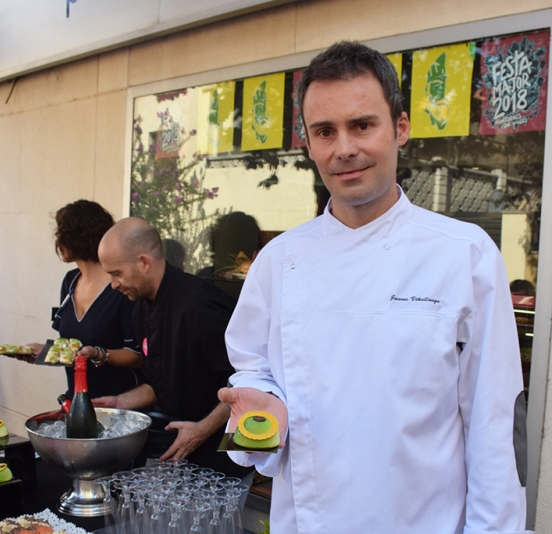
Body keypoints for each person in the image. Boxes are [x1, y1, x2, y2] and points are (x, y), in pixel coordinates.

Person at [219, 41, 530, 533]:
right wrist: (260, 403)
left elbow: (493, 427)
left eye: (362, 125)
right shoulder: (278, 262)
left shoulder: (464, 255)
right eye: (325, 131)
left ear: (400, 127)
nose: (344, 148)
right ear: (308, 142)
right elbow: (251, 368)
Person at [95, 217, 252, 478]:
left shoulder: (199, 306)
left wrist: (201, 429)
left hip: (229, 452)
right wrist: (119, 402)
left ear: (143, 262)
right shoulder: (141, 310)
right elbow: (163, 383)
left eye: (117, 274)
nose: (113, 285)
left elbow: (247, 383)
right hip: (186, 449)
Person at [29, 200, 145, 400]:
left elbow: (138, 355)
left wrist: (98, 354)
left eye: (60, 233)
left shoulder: (122, 286)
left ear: (76, 238)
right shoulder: (70, 281)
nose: (57, 241)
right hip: (78, 399)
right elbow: (74, 347)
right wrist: (45, 352)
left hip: (120, 404)